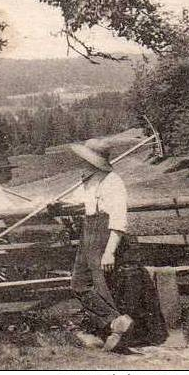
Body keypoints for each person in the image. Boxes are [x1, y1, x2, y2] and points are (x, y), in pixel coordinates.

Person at [64, 138, 134, 352]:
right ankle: (115, 323)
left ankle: (112, 333)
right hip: (88, 231)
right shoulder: (89, 178)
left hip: (104, 234)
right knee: (79, 283)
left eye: (85, 159)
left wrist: (109, 252)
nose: (82, 162)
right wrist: (57, 204)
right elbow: (78, 201)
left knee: (103, 285)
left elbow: (119, 220)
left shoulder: (114, 182)